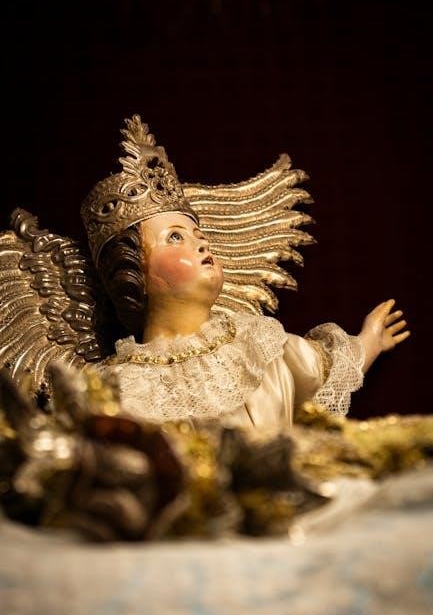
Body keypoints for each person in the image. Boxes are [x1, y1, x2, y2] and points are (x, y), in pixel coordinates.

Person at [77, 115, 409, 436]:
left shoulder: (259, 349)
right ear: (132, 271)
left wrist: (370, 340)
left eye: (199, 235)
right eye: (175, 237)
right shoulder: (122, 388)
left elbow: (325, 371)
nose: (201, 243)